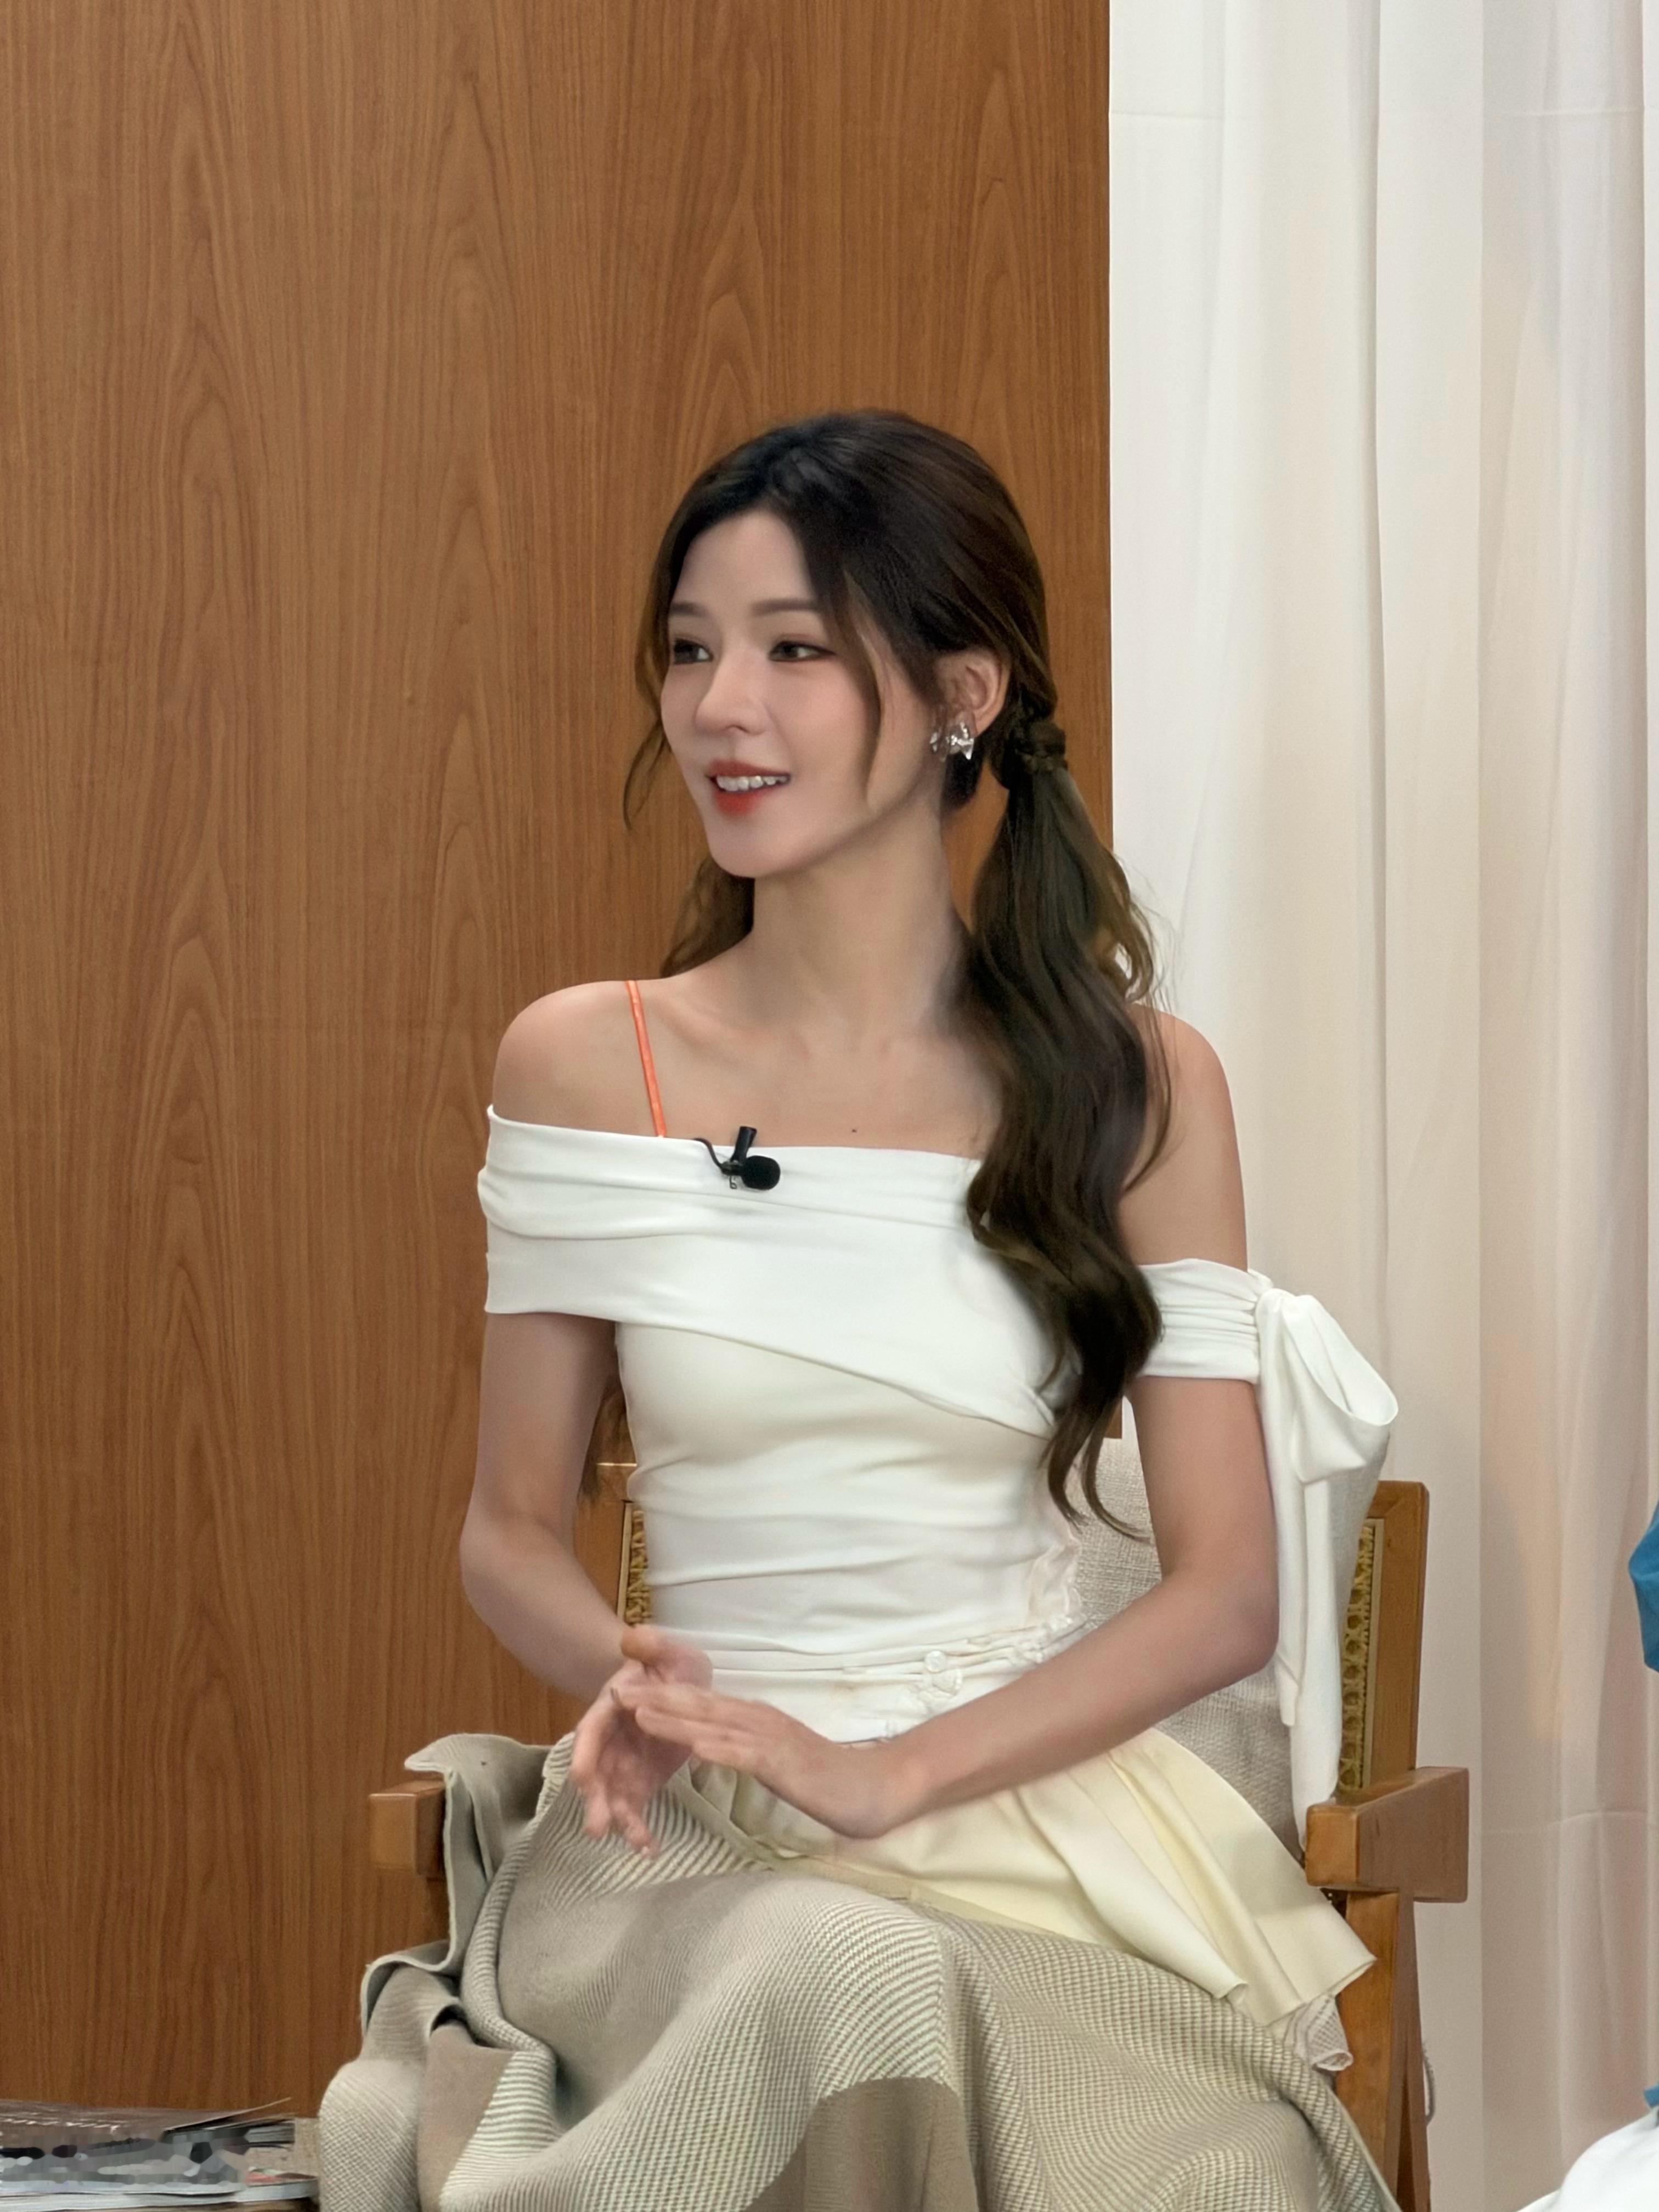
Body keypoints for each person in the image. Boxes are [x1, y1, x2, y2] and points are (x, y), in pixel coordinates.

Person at [325, 410, 1400, 2211]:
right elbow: (508, 1534)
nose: (720, 707)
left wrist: (887, 1776)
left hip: (1025, 1840)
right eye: (690, 650)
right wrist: (637, 1681)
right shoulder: (588, 1065)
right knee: (837, 1968)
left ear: (964, 694)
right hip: (680, 1844)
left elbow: (1226, 1592)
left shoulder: (1138, 1089)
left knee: (1197, 2165)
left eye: (794, 650)